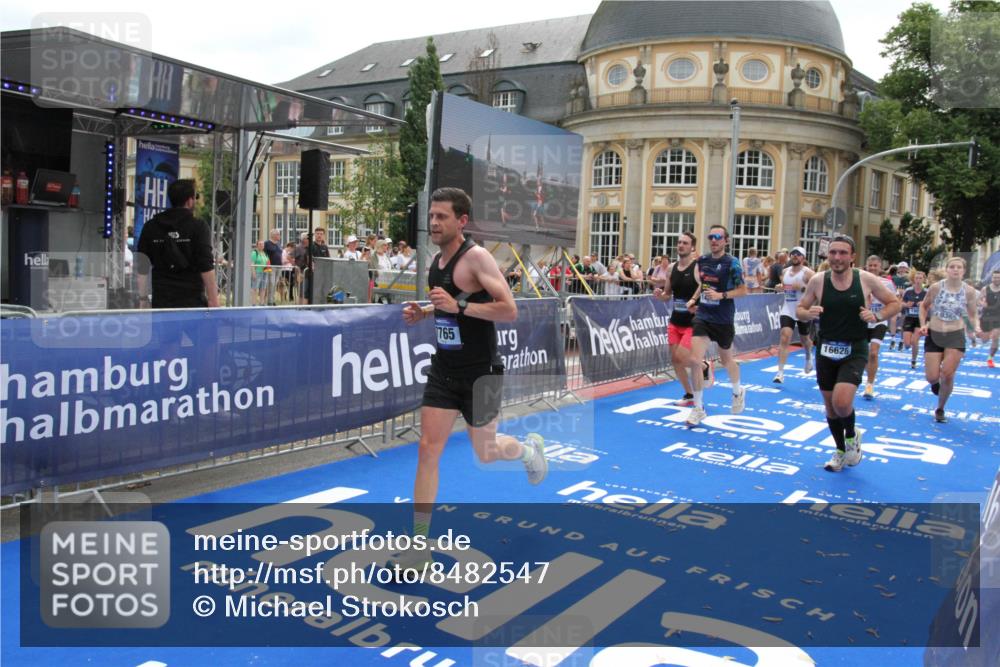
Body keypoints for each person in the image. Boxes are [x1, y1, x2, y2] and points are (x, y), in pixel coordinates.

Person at [395, 188, 547, 572]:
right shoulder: (435, 261)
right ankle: (418, 547)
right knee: (428, 449)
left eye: (442, 216)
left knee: (486, 451)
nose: (433, 222)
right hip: (445, 371)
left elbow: (509, 310)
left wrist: (457, 305)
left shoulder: (476, 257)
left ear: (461, 221)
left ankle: (530, 452)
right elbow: (450, 307)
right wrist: (428, 312)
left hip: (481, 375)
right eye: (431, 216)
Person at [796, 235, 901, 472]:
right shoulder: (818, 280)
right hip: (825, 348)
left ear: (852, 257)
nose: (837, 258)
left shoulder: (865, 279)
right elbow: (800, 309)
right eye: (833, 253)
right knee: (831, 407)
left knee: (842, 402)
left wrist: (877, 316)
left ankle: (852, 435)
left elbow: (894, 303)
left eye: (843, 253)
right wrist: (808, 313)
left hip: (854, 347)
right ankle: (841, 450)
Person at [685, 224, 748, 426]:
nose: (714, 240)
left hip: (723, 319)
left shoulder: (732, 263)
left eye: (718, 237)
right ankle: (698, 407)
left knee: (727, 360)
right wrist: (694, 300)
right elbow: (702, 285)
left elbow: (743, 290)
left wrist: (721, 295)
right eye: (711, 236)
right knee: (694, 360)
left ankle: (738, 391)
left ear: (726, 241)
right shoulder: (702, 260)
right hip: (704, 316)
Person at [135, 179, 219, 309]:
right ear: (190, 200)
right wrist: (213, 300)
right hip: (192, 301)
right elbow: (206, 266)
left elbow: (142, 266)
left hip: (161, 300)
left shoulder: (151, 226)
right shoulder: (198, 226)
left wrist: (143, 299)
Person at [919, 257, 981, 422]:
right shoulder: (936, 287)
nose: (955, 270)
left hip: (955, 334)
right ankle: (936, 386)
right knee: (932, 377)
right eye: (952, 267)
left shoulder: (969, 291)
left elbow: (973, 314)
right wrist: (923, 324)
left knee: (947, 374)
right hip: (935, 332)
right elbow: (923, 307)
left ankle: (940, 408)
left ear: (963, 271)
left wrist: (976, 327)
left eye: (958, 267)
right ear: (947, 270)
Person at [653, 231, 704, 406]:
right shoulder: (671, 268)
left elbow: (706, 288)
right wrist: (660, 295)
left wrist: (697, 303)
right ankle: (689, 395)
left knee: (683, 356)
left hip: (693, 322)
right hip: (675, 321)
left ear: (692, 247)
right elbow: (668, 294)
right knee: (675, 359)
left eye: (685, 243)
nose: (681, 245)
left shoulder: (698, 267)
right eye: (679, 242)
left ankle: (703, 366)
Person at [773, 246, 815, 382]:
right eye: (793, 254)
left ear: (803, 258)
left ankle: (808, 355)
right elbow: (783, 287)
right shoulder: (784, 271)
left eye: (798, 254)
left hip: (803, 309)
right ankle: (780, 372)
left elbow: (817, 291)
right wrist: (779, 287)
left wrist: (802, 288)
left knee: (804, 340)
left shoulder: (808, 273)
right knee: (785, 337)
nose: (795, 256)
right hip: (788, 309)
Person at [862, 255, 896, 399]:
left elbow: (894, 303)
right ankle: (869, 373)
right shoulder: (860, 281)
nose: (872, 268)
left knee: (874, 353)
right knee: (863, 354)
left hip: (879, 321)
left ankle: (870, 384)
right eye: (870, 265)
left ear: (880, 267)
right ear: (866, 266)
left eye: (875, 265)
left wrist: (885, 317)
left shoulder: (886, 284)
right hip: (863, 321)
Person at [900, 270, 928, 369]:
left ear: (924, 280)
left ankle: (913, 360)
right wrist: (906, 305)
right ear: (913, 279)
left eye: (920, 278)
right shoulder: (908, 291)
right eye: (916, 278)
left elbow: (932, 305)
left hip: (920, 319)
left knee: (914, 341)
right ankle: (904, 342)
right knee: (907, 344)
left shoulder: (926, 292)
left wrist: (924, 305)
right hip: (909, 318)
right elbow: (900, 303)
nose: (918, 280)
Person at [888, 261, 911, 350]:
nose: (902, 269)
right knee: (893, 320)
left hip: (904, 302)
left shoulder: (909, 279)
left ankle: (901, 340)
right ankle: (893, 339)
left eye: (903, 267)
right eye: (900, 267)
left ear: (907, 269)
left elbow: (911, 290)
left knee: (903, 322)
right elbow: (889, 289)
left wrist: (904, 293)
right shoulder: (893, 278)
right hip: (895, 301)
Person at [981, 269, 1000, 368]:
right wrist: (982, 303)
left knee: (996, 337)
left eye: (998, 278)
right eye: (994, 277)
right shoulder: (985, 289)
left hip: (998, 317)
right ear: (991, 278)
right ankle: (976, 339)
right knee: (984, 339)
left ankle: (990, 358)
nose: (996, 279)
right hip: (986, 316)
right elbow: (980, 300)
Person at [263, 229, 284, 305]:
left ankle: (272, 300)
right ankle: (269, 301)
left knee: (275, 284)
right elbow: (264, 255)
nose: (279, 236)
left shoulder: (278, 244)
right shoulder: (267, 243)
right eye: (278, 234)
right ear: (274, 235)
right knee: (270, 283)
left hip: (279, 266)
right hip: (270, 266)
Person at [250, 239, 270, 306]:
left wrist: (268, 271)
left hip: (265, 272)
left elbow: (267, 263)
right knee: (255, 288)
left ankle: (262, 302)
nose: (261, 246)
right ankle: (253, 303)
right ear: (257, 245)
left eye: (263, 244)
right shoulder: (254, 253)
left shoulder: (265, 253)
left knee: (263, 288)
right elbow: (252, 263)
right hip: (257, 272)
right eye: (260, 244)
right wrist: (253, 273)